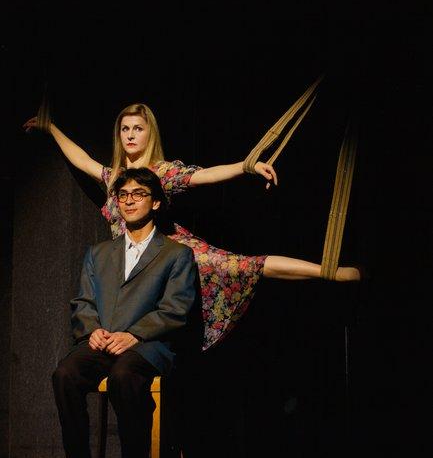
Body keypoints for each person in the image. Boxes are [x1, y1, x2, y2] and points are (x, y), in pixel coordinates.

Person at [24, 102, 361, 351]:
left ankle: (328, 271)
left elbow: (205, 175)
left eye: (137, 129)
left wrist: (246, 166)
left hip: (172, 251)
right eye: (125, 129)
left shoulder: (162, 171)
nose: (130, 135)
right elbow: (82, 160)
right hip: (134, 263)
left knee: (244, 265)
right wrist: (51, 127)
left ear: (149, 134)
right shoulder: (113, 178)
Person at [52, 167, 200, 458]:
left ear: (156, 203)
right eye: (123, 195)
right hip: (104, 341)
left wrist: (134, 334)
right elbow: (84, 301)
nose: (130, 201)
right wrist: (91, 331)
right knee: (65, 373)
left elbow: (177, 308)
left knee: (124, 375)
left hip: (148, 346)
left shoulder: (176, 254)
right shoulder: (99, 253)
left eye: (139, 194)